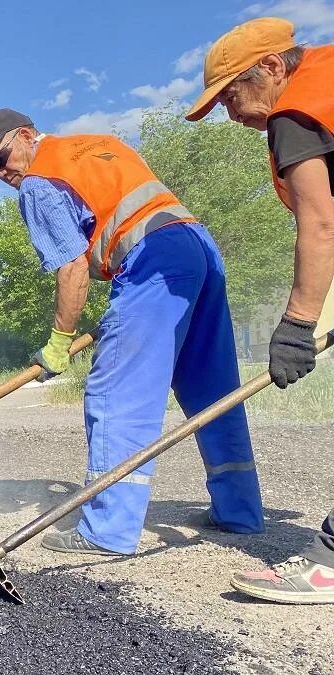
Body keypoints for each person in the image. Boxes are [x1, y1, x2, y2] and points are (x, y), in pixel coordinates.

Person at [0, 109, 264, 556]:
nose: (1, 172)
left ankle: (107, 530)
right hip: (198, 248)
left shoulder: (38, 181)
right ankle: (240, 511)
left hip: (153, 264)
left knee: (116, 393)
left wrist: (59, 342)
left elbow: (72, 269)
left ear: (26, 136)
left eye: (2, 157)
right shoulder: (100, 144)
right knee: (213, 391)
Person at [186, 16, 334, 604]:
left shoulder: (296, 112)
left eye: (231, 96)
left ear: (273, 68)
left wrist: (297, 324)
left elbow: (321, 223)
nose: (232, 114)